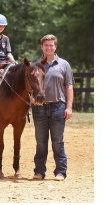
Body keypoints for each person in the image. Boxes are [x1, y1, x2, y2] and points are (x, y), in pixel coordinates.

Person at [31, 34, 74, 181]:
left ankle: (60, 172)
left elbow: (69, 87)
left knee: (57, 141)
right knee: (41, 141)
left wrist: (69, 107)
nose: (49, 47)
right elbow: (30, 84)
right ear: (41, 47)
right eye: (46, 45)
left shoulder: (64, 64)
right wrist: (31, 96)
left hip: (58, 107)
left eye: (51, 45)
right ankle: (39, 172)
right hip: (39, 108)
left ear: (55, 46)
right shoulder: (36, 64)